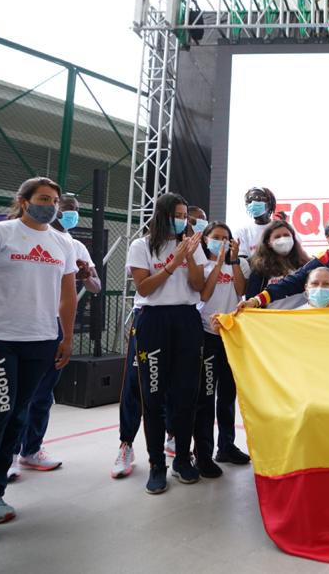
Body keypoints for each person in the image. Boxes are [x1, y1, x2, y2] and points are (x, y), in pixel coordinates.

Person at [0, 176, 78, 545]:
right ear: (23, 201)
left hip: (40, 342)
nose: (51, 205)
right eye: (43, 198)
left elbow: (67, 296)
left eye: (55, 200)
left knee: (16, 417)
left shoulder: (62, 243)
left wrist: (65, 337)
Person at [10, 195, 101, 477]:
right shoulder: (17, 236)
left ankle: (31, 449)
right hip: (21, 325)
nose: (70, 214)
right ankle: (8, 454)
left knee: (43, 394)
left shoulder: (75, 245)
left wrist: (85, 275)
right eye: (65, 209)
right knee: (15, 396)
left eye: (75, 210)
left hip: (56, 325)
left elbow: (96, 286)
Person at [125, 192, 206, 494]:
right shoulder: (141, 245)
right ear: (162, 214)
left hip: (186, 319)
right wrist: (175, 263)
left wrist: (193, 258)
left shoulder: (190, 245)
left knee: (186, 395)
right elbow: (144, 287)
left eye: (185, 215)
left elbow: (198, 287)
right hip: (154, 321)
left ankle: (183, 459)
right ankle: (156, 464)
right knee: (153, 395)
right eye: (178, 215)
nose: (183, 220)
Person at [194, 222, 249, 476]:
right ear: (205, 239)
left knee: (228, 395)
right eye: (217, 237)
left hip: (230, 336)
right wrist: (216, 264)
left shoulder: (238, 264)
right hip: (206, 335)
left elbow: (241, 291)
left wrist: (234, 261)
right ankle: (202, 453)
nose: (222, 242)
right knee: (205, 397)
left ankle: (226, 445)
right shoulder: (200, 265)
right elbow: (203, 296)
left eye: (226, 238)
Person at [244, 220, 312, 310]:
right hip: (272, 320)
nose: (283, 239)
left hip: (301, 319)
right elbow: (251, 300)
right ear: (268, 243)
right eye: (277, 237)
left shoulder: (307, 265)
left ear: (293, 239)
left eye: (286, 235)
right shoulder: (260, 269)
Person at [234, 186, 278, 257]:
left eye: (258, 199)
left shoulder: (282, 229)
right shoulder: (242, 232)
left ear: (269, 203)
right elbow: (242, 261)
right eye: (250, 201)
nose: (253, 203)